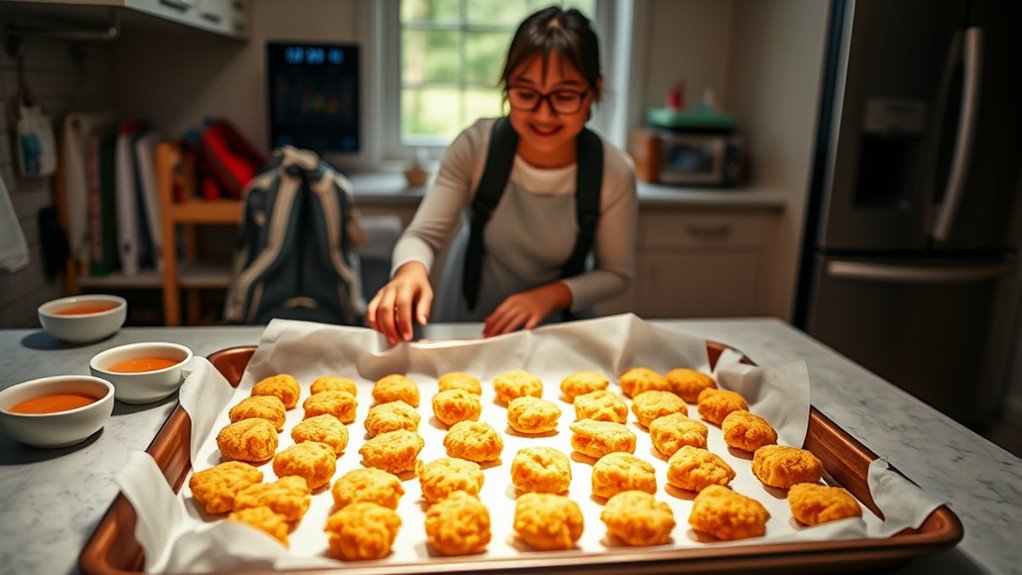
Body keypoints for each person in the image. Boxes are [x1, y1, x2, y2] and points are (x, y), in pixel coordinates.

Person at [367, 6, 637, 344]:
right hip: (470, 318)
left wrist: (549, 296)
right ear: (506, 87)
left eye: (564, 96)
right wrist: (409, 271)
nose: (543, 114)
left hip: (560, 327)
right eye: (526, 93)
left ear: (594, 91)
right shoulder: (476, 148)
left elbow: (615, 273)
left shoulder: (613, 172)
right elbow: (422, 236)